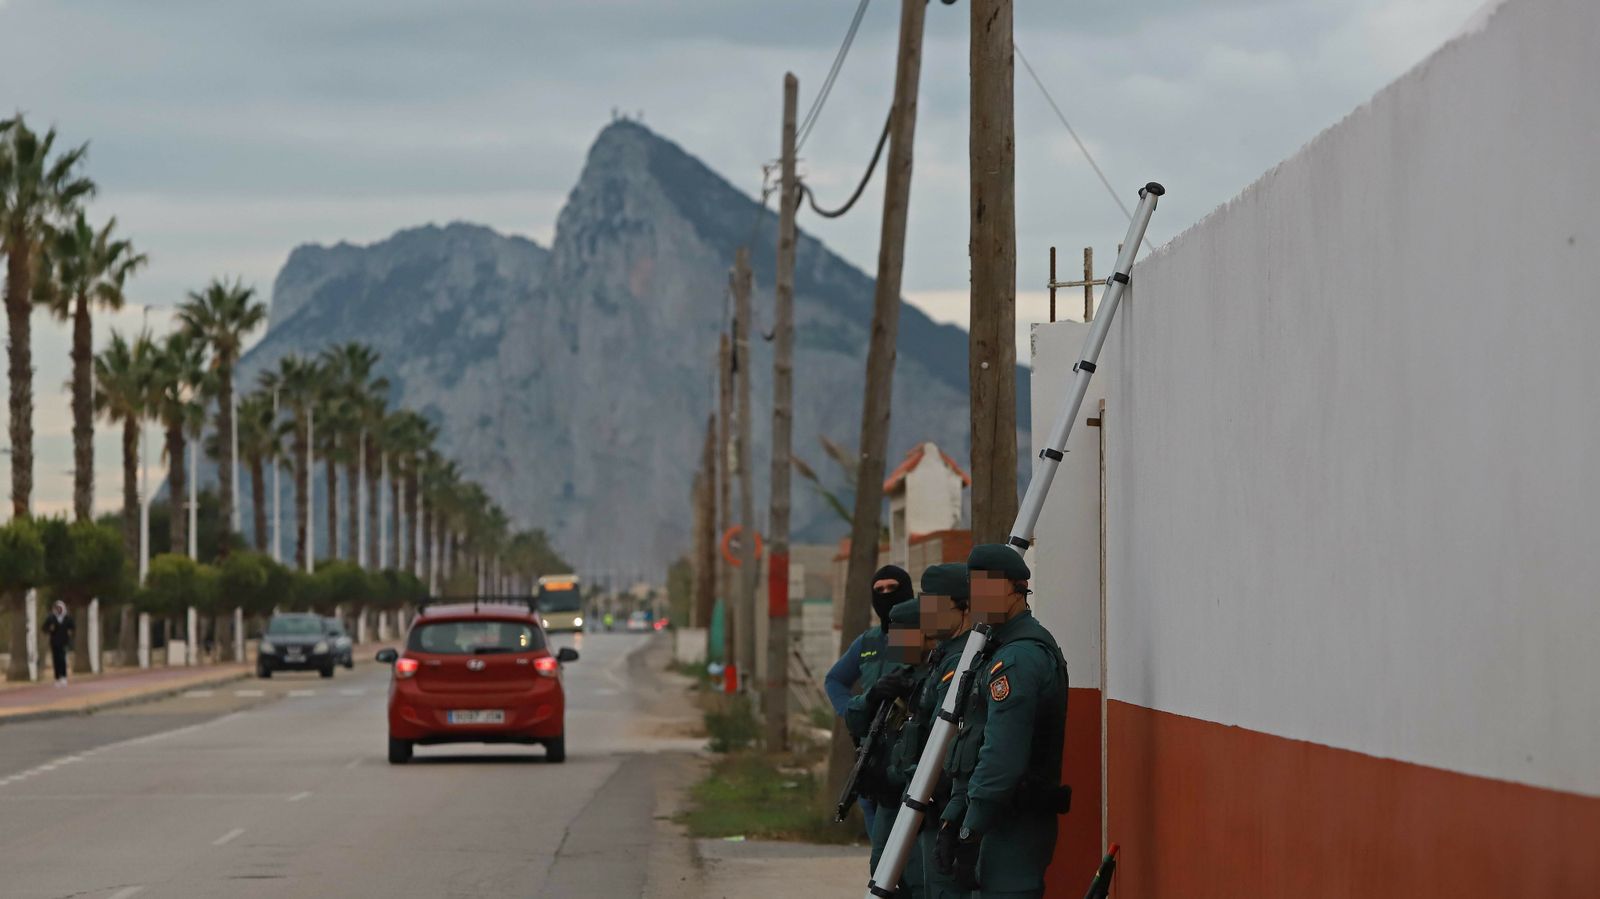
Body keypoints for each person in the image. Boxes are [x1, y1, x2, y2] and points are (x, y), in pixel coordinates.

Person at [935, 545, 1070, 899]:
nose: (976, 596)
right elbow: (973, 740)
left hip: (1014, 824)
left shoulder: (1020, 658)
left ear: (1016, 588)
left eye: (986, 586)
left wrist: (971, 828)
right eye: (973, 586)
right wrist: (954, 817)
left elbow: (1001, 757)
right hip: (991, 817)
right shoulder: (997, 651)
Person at [885, 563, 972, 899]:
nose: (927, 615)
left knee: (937, 887)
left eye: (935, 606)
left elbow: (946, 735)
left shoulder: (962, 660)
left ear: (962, 607)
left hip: (944, 800)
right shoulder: (943, 656)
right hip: (923, 795)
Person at [825, 564, 915, 832]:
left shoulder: (919, 637)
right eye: (879, 590)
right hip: (870, 754)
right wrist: (853, 710)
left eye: (893, 588)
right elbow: (834, 680)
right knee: (879, 846)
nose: (886, 595)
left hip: (906, 754)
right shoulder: (868, 642)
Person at [844, 598, 922, 879]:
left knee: (913, 877)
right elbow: (853, 716)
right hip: (889, 799)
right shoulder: (901, 675)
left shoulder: (934, 678)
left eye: (905, 633)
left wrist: (891, 775)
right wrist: (874, 695)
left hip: (917, 800)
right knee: (882, 872)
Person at [42, 600, 76, 686]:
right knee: (56, 660)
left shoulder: (67, 618)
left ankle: (63, 677)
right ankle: (57, 678)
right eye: (57, 608)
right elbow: (44, 628)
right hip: (54, 642)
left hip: (64, 642)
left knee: (62, 659)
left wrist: (70, 632)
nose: (58, 610)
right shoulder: (51, 618)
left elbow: (73, 627)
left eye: (60, 608)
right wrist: (50, 629)